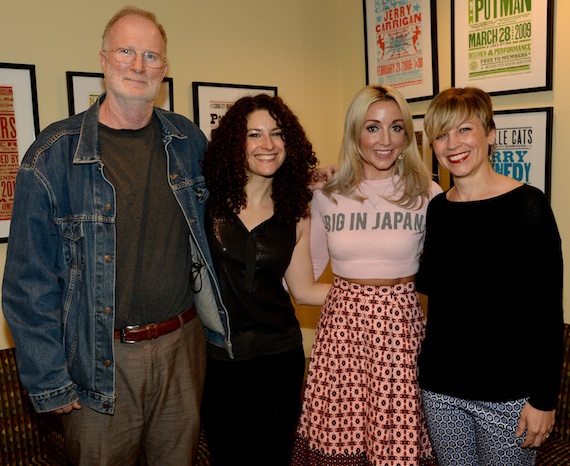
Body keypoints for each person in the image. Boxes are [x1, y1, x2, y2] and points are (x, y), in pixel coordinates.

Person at [2, 6, 231, 465]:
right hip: (98, 357)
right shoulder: (51, 156)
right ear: (104, 59)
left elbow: (235, 200)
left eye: (151, 55)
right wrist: (50, 381)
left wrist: (307, 185)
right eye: (127, 50)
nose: (138, 64)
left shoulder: (186, 141)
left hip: (182, 349)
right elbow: (28, 284)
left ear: (164, 70)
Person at [291, 84, 441, 466]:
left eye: (396, 127)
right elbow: (302, 284)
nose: (385, 139)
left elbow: (448, 278)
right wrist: (295, 194)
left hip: (400, 340)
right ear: (355, 132)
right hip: (341, 342)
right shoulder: (326, 194)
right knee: (338, 446)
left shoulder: (428, 194)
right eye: (372, 127)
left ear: (407, 134)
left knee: (397, 447)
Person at [416, 87, 564, 466]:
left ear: (490, 133)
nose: (453, 144)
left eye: (464, 130)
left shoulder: (528, 206)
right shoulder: (438, 210)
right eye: (441, 134)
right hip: (441, 391)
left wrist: (544, 398)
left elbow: (548, 314)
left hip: (509, 397)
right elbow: (439, 298)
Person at [200, 94, 331, 466]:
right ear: (234, 143)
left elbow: (304, 290)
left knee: (275, 457)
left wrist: (371, 289)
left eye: (276, 134)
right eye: (254, 134)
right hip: (219, 362)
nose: (268, 145)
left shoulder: (296, 212)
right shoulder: (207, 202)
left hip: (280, 359)